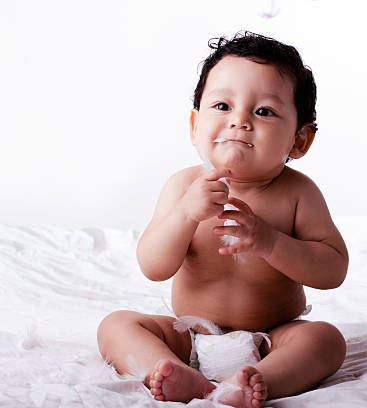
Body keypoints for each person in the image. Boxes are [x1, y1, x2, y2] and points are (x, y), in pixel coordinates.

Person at [97, 31, 348, 408]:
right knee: (116, 325)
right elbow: (152, 266)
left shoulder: (299, 194)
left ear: (300, 141)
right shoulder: (183, 186)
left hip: (271, 339)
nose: (239, 122)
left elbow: (332, 270)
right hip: (190, 336)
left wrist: (271, 242)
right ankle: (167, 372)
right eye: (222, 106)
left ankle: (252, 382)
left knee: (326, 340)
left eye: (264, 111)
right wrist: (185, 214)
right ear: (195, 124)